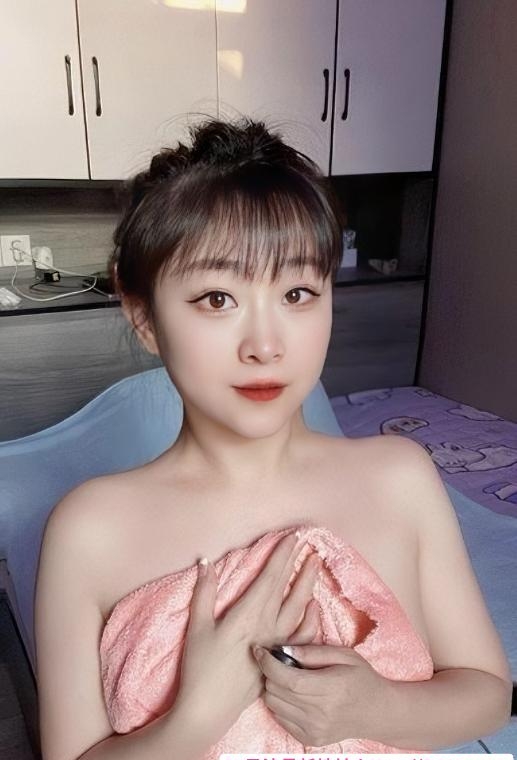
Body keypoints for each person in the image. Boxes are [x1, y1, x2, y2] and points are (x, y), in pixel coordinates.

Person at [34, 117, 512, 760]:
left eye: (297, 292)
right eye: (216, 299)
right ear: (143, 314)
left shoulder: (400, 477)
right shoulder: (90, 530)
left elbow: (487, 693)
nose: (265, 345)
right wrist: (197, 717)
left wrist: (377, 709)